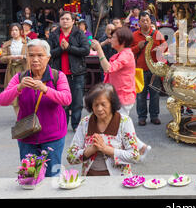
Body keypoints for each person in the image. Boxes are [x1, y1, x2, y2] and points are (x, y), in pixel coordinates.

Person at [0, 39, 72, 177]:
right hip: (27, 136)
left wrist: (45, 89)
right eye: (31, 55)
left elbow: (66, 99)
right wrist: (19, 88)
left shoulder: (57, 76)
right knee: (30, 177)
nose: (35, 59)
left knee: (52, 176)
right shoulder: (20, 78)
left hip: (53, 137)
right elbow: (2, 100)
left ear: (48, 58)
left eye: (40, 55)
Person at [90, 27, 151, 159]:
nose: (110, 39)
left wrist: (99, 49)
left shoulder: (126, 55)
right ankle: (140, 148)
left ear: (122, 40)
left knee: (120, 126)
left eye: (113, 37)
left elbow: (108, 68)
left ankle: (132, 151)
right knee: (121, 126)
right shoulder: (122, 53)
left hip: (122, 97)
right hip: (118, 96)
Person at [66, 83, 140, 176]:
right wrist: (92, 149)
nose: (99, 109)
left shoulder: (124, 122)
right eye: (95, 105)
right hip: (90, 178)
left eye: (103, 104)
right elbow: (71, 157)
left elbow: (134, 156)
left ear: (112, 104)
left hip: (118, 180)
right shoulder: (85, 122)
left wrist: (106, 149)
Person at [48, 11, 90, 132]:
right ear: (59, 21)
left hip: (77, 73)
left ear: (73, 21)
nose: (65, 21)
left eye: (67, 19)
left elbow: (85, 50)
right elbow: (49, 53)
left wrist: (69, 48)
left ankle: (76, 125)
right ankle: (62, 124)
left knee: (77, 101)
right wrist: (61, 49)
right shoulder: (54, 34)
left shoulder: (79, 33)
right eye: (62, 19)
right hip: (59, 74)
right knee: (61, 101)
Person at [131, 11, 167, 126]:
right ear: (139, 22)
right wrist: (138, 47)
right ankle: (142, 117)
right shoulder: (135, 35)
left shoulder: (157, 33)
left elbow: (165, 46)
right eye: (143, 21)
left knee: (155, 94)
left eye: (147, 20)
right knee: (140, 95)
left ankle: (154, 116)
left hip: (154, 69)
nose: (145, 23)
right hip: (139, 69)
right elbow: (129, 51)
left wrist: (160, 49)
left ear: (150, 21)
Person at [0, 23, 28, 115]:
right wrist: (10, 57)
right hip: (11, 70)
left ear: (20, 31)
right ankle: (19, 117)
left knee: (25, 93)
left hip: (24, 69)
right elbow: (1, 59)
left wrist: (24, 57)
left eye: (16, 30)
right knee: (14, 94)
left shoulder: (27, 43)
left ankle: (26, 115)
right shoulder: (6, 44)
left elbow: (32, 56)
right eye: (12, 30)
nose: (14, 32)